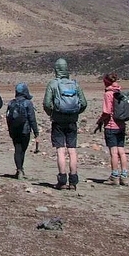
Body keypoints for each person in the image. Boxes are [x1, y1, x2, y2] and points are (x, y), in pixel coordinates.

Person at [43, 58, 88, 190]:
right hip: (72, 121)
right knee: (72, 150)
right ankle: (73, 180)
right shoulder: (74, 84)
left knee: (60, 150)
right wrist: (75, 113)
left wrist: (52, 113)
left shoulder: (53, 84)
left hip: (58, 121)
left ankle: (62, 180)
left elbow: (46, 103)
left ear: (56, 70)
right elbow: (84, 103)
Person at [94, 73, 129, 186]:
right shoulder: (120, 92)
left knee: (113, 153)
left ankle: (114, 176)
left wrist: (100, 121)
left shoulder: (108, 94)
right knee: (122, 151)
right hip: (121, 125)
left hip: (111, 126)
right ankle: (124, 176)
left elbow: (107, 111)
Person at [6, 83, 41, 180]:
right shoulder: (28, 103)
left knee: (17, 149)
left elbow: (8, 118)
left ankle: (19, 169)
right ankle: (20, 169)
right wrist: (36, 133)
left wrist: (10, 130)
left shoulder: (11, 103)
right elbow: (32, 119)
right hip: (25, 130)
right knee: (23, 150)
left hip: (14, 130)